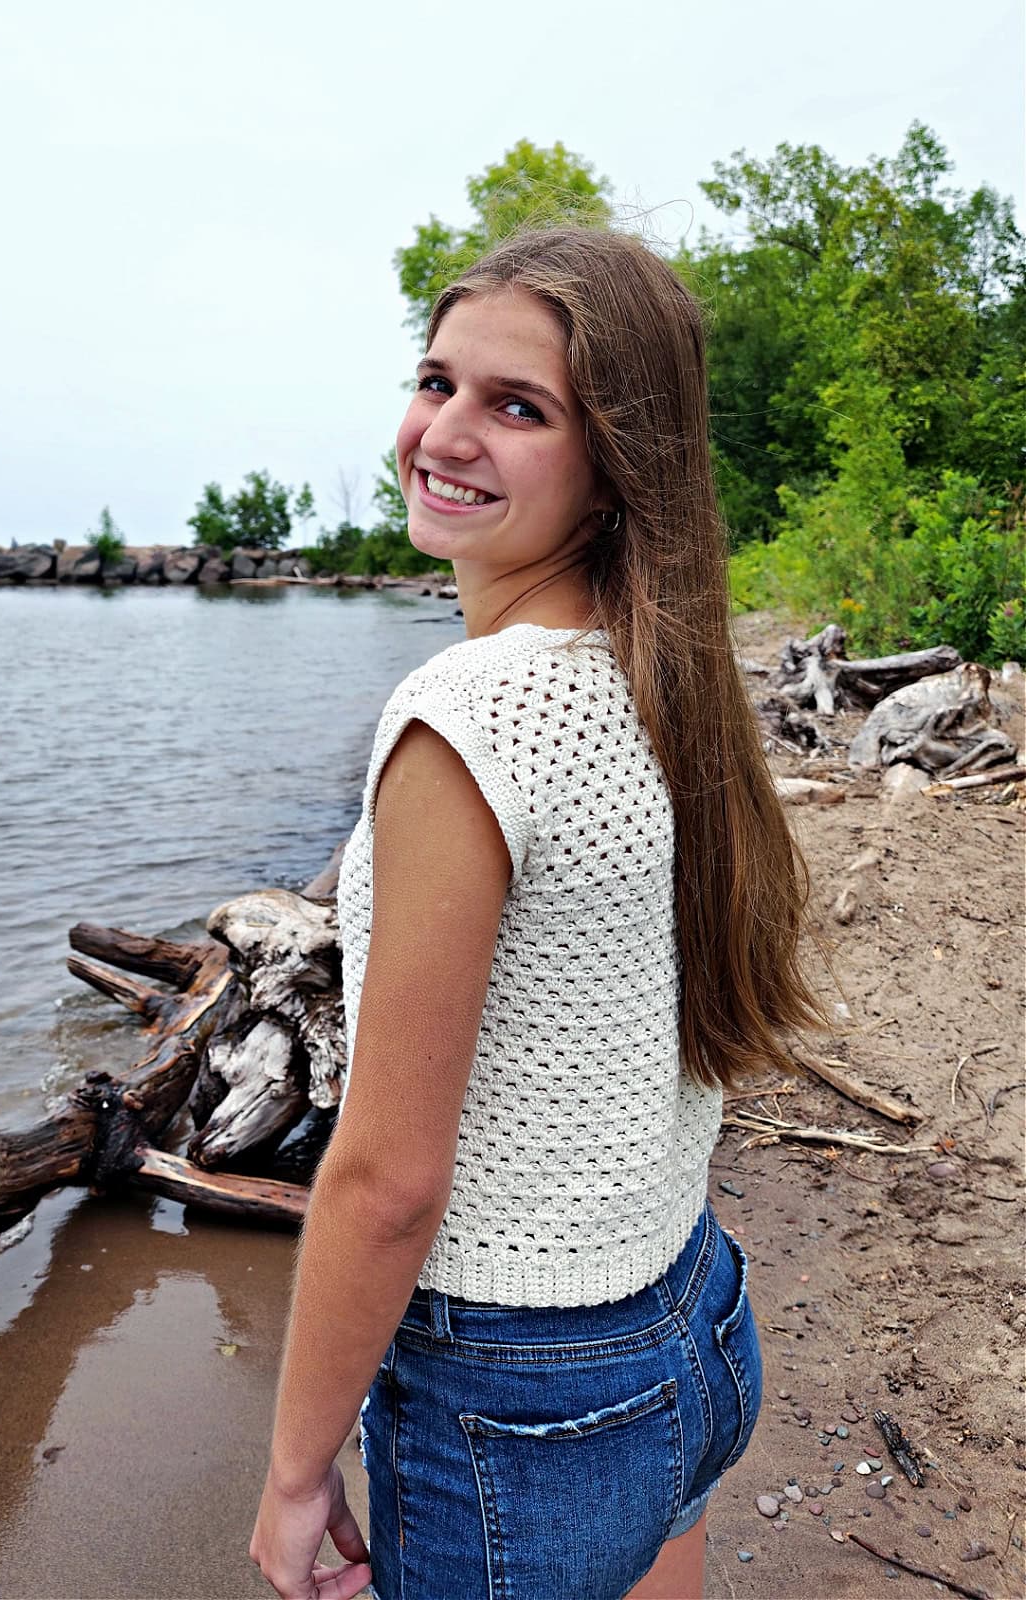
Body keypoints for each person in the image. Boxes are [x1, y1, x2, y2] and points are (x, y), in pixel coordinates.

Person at [249, 224, 828, 1600]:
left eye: (517, 407)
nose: (445, 431)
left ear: (615, 457)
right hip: (696, 1316)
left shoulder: (471, 716)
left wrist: (291, 1474)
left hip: (529, 1397)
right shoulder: (663, 677)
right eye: (437, 380)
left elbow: (388, 1185)